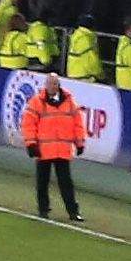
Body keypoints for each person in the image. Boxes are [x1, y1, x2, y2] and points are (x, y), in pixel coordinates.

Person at [23, 75, 89, 220]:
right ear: (46, 85)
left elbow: (78, 124)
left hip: (62, 150)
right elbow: (29, 124)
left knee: (66, 183)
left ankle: (73, 212)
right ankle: (43, 209)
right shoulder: (37, 103)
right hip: (44, 150)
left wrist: (79, 143)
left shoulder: (69, 103)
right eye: (51, 84)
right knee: (42, 182)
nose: (53, 87)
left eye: (55, 84)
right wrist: (31, 144)